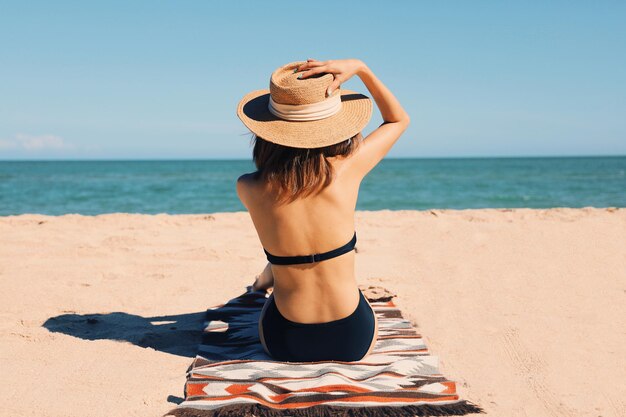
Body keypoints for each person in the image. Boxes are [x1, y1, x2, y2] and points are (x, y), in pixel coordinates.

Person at [235, 58, 410, 362]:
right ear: (332, 126)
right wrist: (362, 68)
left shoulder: (248, 187)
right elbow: (397, 120)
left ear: (267, 131)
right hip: (352, 338)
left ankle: (266, 278)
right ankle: (268, 277)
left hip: (285, 342)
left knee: (279, 272)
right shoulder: (349, 168)